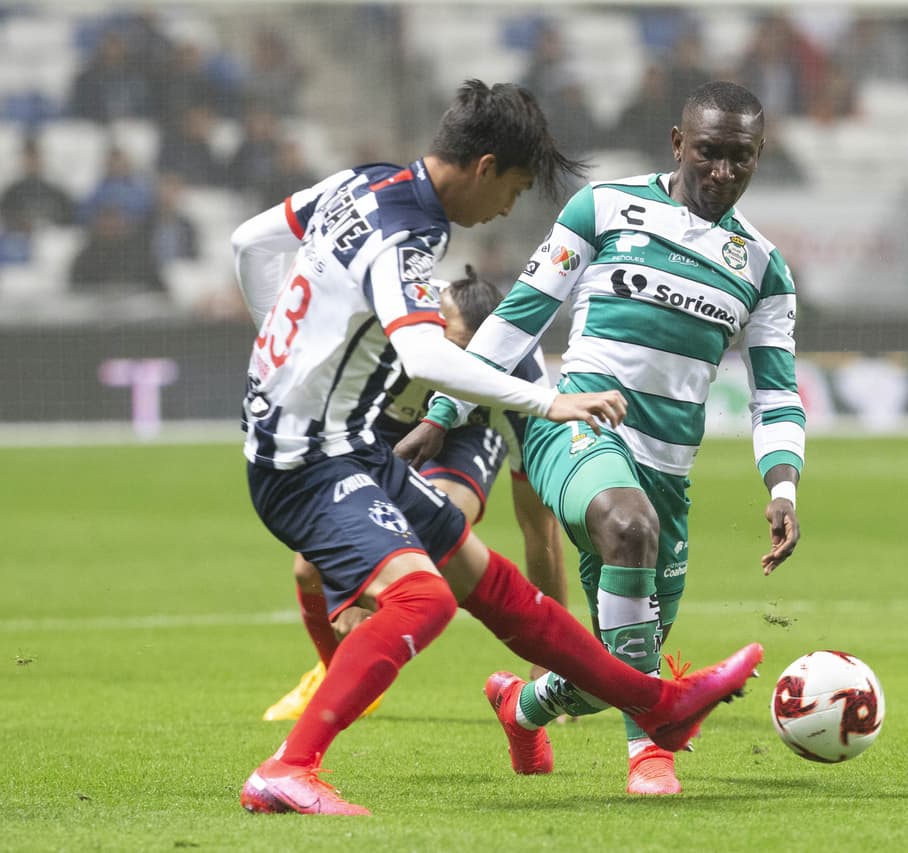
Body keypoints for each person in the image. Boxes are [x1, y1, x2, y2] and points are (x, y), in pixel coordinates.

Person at [231, 79, 762, 816]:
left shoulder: (364, 181)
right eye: (513, 190)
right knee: (422, 599)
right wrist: (550, 398)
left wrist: (276, 350)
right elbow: (424, 355)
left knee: (494, 585)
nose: (508, 209)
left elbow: (251, 240)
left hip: (340, 442)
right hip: (308, 459)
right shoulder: (407, 232)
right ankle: (289, 767)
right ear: (484, 167)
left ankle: (659, 704)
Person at [400, 80, 803, 796]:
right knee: (628, 524)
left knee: (620, 659)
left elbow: (775, 393)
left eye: (739, 158)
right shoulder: (605, 207)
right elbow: (519, 316)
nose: (721, 172)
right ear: (678, 144)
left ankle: (520, 706)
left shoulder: (765, 270)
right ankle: (650, 752)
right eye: (708, 153)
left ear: (759, 156)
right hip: (578, 429)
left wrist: (782, 485)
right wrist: (443, 410)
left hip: (669, 469)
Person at [260, 265, 568, 721]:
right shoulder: (386, 323)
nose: (457, 368)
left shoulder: (521, 386)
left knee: (440, 528)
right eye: (453, 348)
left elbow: (539, 529)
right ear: (434, 320)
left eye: (469, 357)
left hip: (467, 431)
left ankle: (366, 648)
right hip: (378, 426)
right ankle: (335, 674)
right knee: (308, 570)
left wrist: (550, 669)